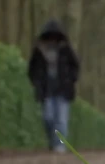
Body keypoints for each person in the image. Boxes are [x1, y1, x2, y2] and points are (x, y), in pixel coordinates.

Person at [27, 19, 80, 153]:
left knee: (61, 120)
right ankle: (53, 142)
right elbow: (31, 69)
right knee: (48, 118)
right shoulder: (39, 51)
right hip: (46, 90)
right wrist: (36, 82)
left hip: (63, 90)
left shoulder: (66, 50)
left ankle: (60, 145)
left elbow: (75, 66)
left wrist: (71, 80)